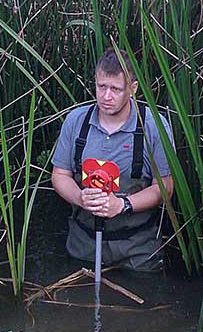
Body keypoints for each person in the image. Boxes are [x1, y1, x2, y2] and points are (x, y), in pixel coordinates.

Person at [51, 48, 175, 271]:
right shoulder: (76, 122)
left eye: (116, 89)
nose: (106, 97)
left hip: (138, 252)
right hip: (83, 247)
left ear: (133, 89)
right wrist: (80, 197)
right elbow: (60, 175)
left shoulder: (154, 127)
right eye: (101, 87)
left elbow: (164, 187)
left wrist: (123, 205)